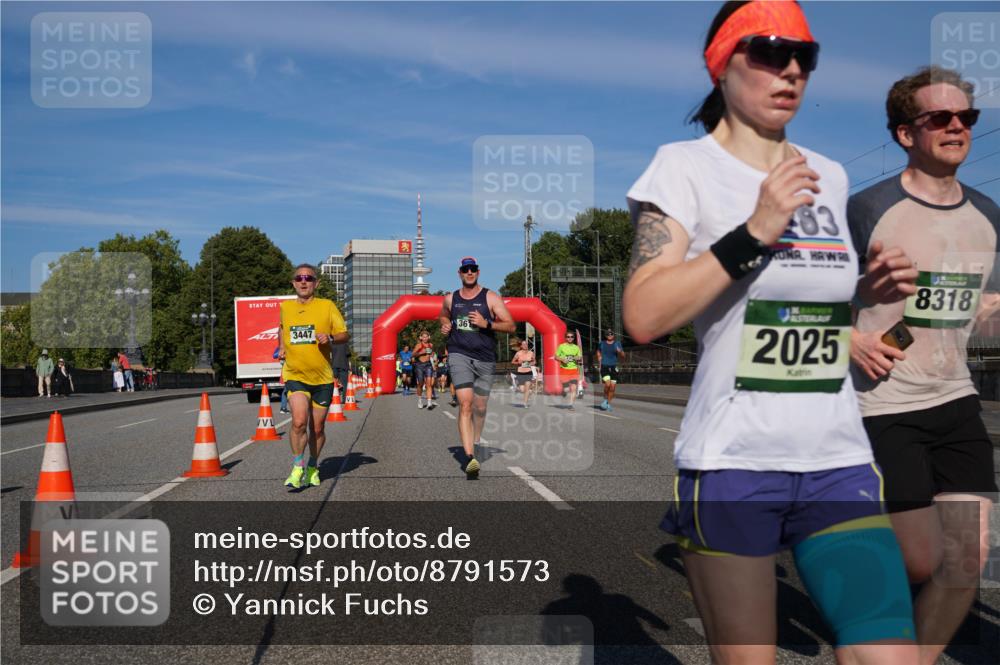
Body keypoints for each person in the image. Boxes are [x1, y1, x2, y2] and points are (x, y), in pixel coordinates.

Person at [623, 2, 921, 662]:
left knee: (890, 654)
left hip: (836, 460)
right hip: (733, 463)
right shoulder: (684, 167)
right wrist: (754, 231)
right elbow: (643, 314)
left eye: (804, 57)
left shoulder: (828, 175)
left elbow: (800, 309)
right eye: (767, 51)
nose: (790, 69)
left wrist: (868, 293)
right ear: (721, 64)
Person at [848, 65, 998, 665]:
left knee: (967, 560)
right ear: (905, 133)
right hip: (882, 404)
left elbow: (980, 312)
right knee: (919, 560)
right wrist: (845, 340)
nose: (957, 126)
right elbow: (798, 297)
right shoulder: (866, 208)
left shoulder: (988, 213)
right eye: (940, 117)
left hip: (955, 396)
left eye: (967, 117)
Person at [439, 256, 516, 478]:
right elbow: (443, 315)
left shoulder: (490, 297)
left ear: (478, 272)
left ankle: (476, 439)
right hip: (458, 354)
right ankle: (470, 457)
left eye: (473, 269)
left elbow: (511, 325)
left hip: (484, 357)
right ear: (459, 273)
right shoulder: (450, 298)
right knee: (465, 404)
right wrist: (445, 325)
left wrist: (487, 324)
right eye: (465, 270)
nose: (469, 273)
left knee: (480, 407)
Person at [277, 263, 349, 489]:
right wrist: (282, 346)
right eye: (299, 278)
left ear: (316, 283)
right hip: (295, 374)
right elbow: (282, 327)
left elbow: (344, 334)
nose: (303, 281)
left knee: (317, 428)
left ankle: (312, 465)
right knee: (299, 422)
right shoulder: (286, 307)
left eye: (308, 278)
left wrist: (329, 337)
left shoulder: (327, 306)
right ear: (293, 283)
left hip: (322, 378)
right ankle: (297, 466)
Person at [595, 330, 626, 411]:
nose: (610, 335)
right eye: (608, 334)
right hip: (604, 366)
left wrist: (620, 352)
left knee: (612, 388)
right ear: (605, 336)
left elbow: (623, 356)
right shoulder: (602, 343)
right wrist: (598, 356)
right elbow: (598, 351)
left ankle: (608, 403)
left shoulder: (617, 343)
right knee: (608, 384)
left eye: (611, 334)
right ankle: (605, 399)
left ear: (613, 335)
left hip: (614, 367)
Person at [555, 331, 583, 411]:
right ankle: (564, 391)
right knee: (566, 390)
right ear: (565, 338)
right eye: (568, 337)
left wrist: (577, 358)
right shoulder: (561, 346)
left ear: (573, 338)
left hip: (574, 370)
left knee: (574, 388)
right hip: (564, 370)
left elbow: (580, 357)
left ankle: (570, 405)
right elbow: (556, 356)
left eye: (571, 337)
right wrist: (562, 359)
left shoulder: (576, 347)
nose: (570, 338)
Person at [412, 331, 437, 409]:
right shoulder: (419, 345)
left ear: (429, 337)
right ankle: (420, 400)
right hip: (419, 365)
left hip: (428, 365)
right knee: (420, 384)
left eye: (426, 337)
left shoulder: (431, 345)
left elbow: (432, 353)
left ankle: (429, 402)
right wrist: (421, 352)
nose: (425, 338)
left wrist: (432, 354)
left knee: (429, 384)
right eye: (424, 337)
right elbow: (413, 354)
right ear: (421, 337)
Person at [511, 339, 536, 407]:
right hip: (520, 372)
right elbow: (512, 362)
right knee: (522, 389)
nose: (525, 345)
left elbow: (534, 362)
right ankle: (529, 392)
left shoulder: (531, 353)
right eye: (524, 344)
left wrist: (531, 364)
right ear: (521, 346)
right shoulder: (518, 353)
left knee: (527, 388)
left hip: (528, 372)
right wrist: (518, 363)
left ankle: (525, 403)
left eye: (526, 344)